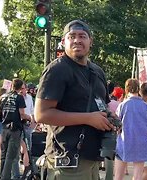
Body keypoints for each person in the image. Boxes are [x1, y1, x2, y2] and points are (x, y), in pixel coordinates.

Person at [35, 19, 114, 180]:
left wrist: (111, 119)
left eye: (82, 36)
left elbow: (102, 106)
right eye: (72, 36)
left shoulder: (97, 71)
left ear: (90, 41)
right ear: (63, 42)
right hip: (67, 160)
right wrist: (88, 119)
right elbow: (42, 114)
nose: (77, 40)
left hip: (92, 158)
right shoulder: (57, 69)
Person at [114, 79, 147, 180]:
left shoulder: (122, 105)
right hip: (141, 143)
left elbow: (116, 125)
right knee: (138, 176)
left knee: (118, 175)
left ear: (126, 89)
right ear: (138, 89)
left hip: (124, 142)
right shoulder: (145, 106)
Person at [0, 78, 31, 180]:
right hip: (15, 129)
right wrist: (30, 117)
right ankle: (5, 177)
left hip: (4, 128)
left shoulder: (2, 97)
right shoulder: (19, 97)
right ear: (21, 87)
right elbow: (22, 114)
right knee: (11, 155)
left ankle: (1, 175)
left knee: (3, 154)